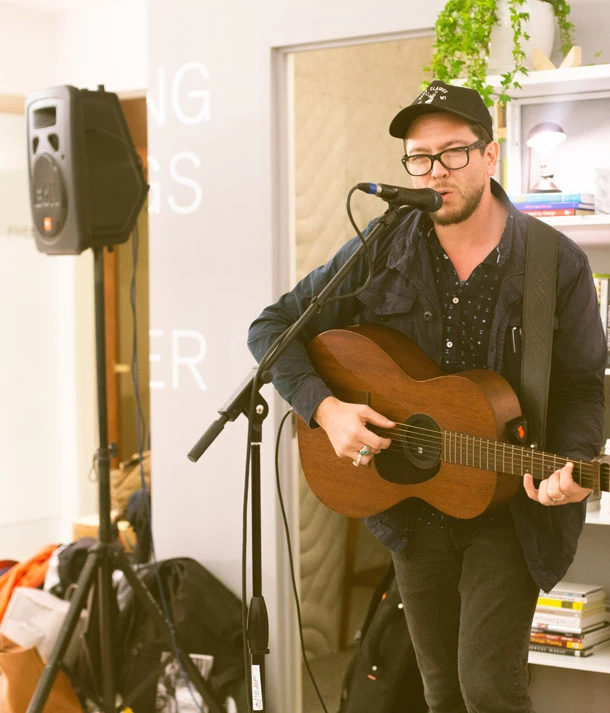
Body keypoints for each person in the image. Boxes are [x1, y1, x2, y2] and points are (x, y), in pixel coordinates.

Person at [247, 80, 606, 713]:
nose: (434, 171)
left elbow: (584, 385)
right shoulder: (384, 245)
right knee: (439, 692)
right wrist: (325, 411)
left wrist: (575, 465)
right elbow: (272, 329)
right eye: (419, 158)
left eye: (453, 153)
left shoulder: (557, 263)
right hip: (414, 503)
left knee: (488, 687)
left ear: (491, 156)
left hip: (510, 506)